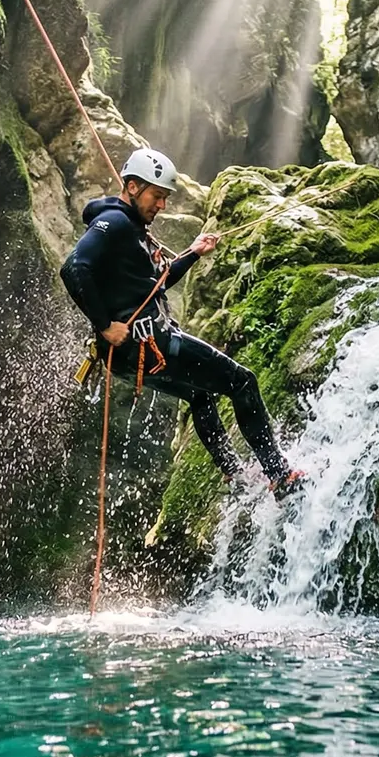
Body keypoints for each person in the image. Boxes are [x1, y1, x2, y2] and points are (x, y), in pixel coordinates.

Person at [61, 148, 303, 496]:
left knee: (200, 396)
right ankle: (280, 475)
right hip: (149, 342)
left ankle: (235, 476)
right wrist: (104, 325)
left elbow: (155, 283)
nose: (161, 205)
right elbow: (74, 267)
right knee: (242, 382)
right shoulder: (114, 223)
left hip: (130, 354)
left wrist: (192, 253)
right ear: (131, 187)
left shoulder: (130, 228)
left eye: (164, 198)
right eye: (156, 196)